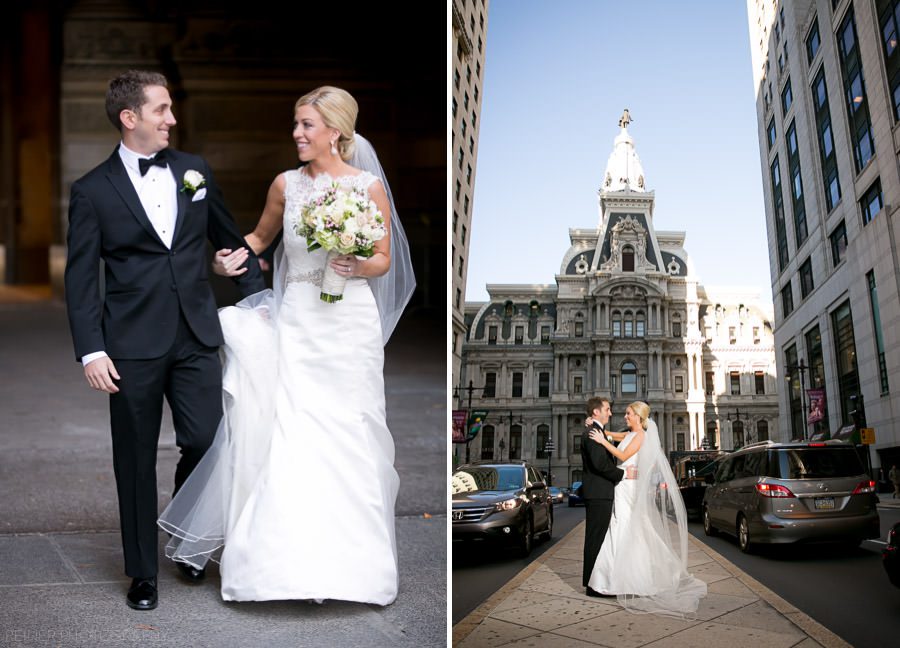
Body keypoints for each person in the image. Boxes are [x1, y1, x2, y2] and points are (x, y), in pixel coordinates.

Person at [158, 86, 415, 605]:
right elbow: (258, 239)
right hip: (298, 319)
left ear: (335, 132)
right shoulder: (285, 184)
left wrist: (355, 263)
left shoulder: (367, 187)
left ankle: (355, 567)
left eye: (307, 125)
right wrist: (226, 260)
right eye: (296, 124)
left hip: (349, 325)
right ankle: (276, 562)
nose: (297, 133)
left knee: (349, 431)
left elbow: (384, 258)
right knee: (290, 429)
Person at [64, 70, 266, 610]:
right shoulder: (91, 191)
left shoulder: (193, 171)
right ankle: (142, 572)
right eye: (162, 110)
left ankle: (186, 535)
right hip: (129, 345)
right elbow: (81, 279)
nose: (172, 119)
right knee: (133, 458)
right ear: (130, 117)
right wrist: (92, 350)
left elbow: (230, 241)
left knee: (206, 440)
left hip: (196, 334)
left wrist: (260, 301)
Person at [587, 401, 707, 616]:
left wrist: (602, 440)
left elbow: (623, 456)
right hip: (622, 485)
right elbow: (615, 436)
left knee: (624, 527)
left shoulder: (641, 436)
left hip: (628, 486)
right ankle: (618, 577)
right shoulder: (630, 434)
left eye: (628, 414)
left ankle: (624, 579)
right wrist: (599, 429)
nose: (625, 416)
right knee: (624, 528)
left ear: (638, 417)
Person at [581, 397, 632, 596]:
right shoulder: (593, 433)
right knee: (596, 538)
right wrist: (624, 474)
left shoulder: (598, 431)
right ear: (596, 412)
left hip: (601, 492)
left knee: (599, 538)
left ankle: (597, 582)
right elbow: (600, 465)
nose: (610, 413)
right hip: (598, 493)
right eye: (607, 409)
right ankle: (593, 586)